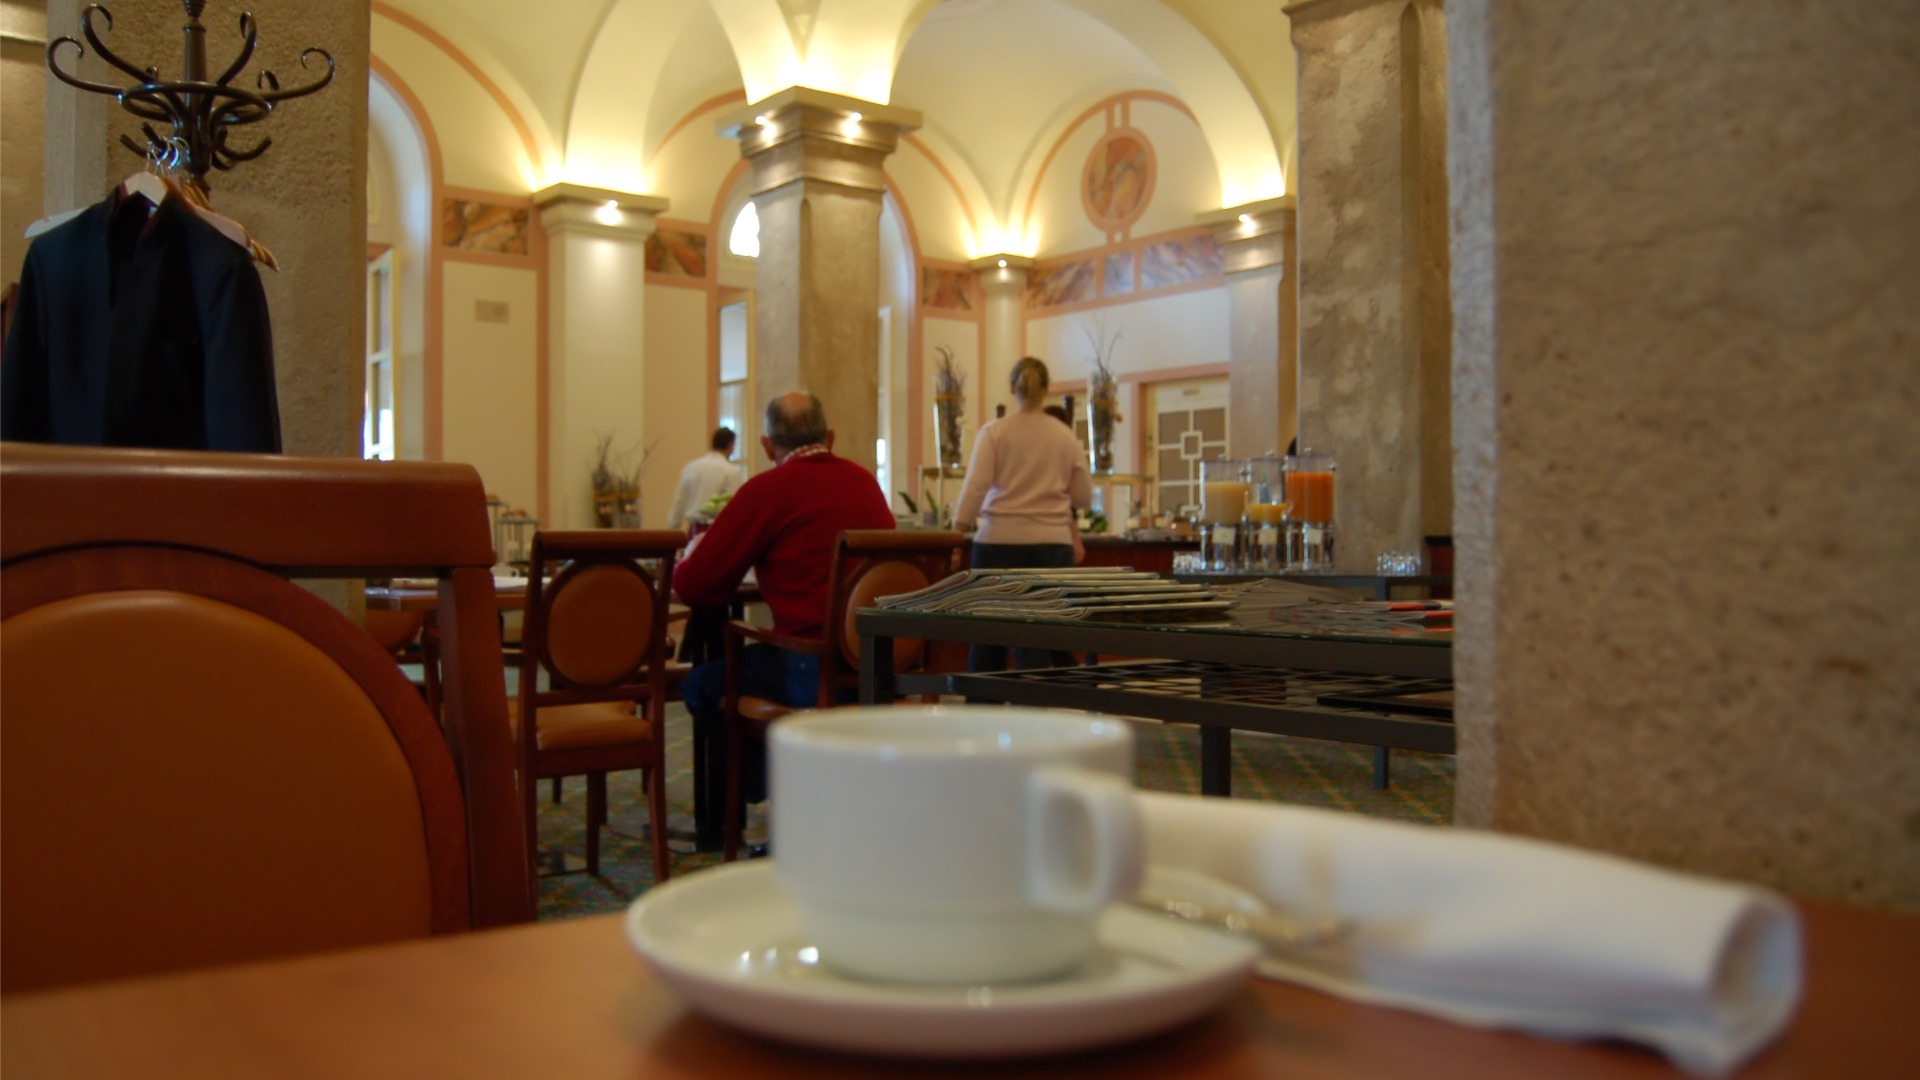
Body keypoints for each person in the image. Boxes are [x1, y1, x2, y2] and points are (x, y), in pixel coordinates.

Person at [674, 392, 895, 847]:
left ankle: (766, 801)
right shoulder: (866, 484)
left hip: (808, 667)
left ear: (767, 444)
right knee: (746, 669)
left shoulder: (767, 490)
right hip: (878, 668)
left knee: (701, 683)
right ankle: (808, 795)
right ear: (830, 437)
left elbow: (696, 585)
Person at [954, 356, 1094, 671]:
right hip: (1051, 543)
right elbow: (1084, 496)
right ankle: (1035, 709)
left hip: (997, 542)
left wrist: (956, 530)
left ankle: (982, 705)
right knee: (1040, 635)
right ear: (1047, 388)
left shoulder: (994, 432)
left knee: (988, 634)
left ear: (1012, 388)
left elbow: (976, 487)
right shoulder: (1064, 436)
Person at [665, 427, 744, 530]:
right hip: (717, 530)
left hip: (694, 530)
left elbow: (679, 503)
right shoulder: (731, 472)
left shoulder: (691, 467)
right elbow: (735, 510)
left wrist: (671, 531)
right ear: (731, 445)